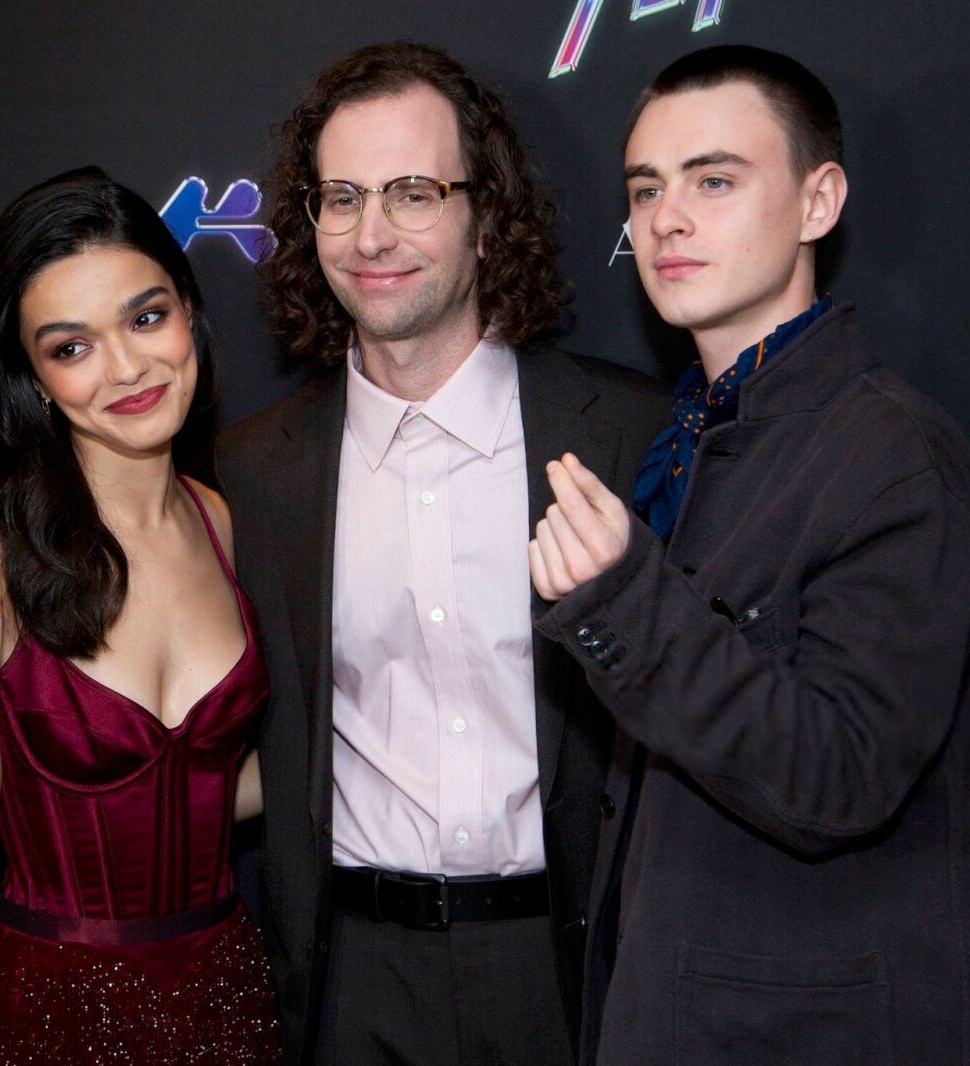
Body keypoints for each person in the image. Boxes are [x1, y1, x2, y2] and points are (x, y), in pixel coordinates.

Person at [528, 46, 970, 1064]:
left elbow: (839, 776)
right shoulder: (691, 438)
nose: (667, 219)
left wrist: (622, 601)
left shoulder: (894, 459)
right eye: (645, 189)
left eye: (713, 181)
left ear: (818, 201)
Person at [216, 42, 670, 1065]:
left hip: (572, 968)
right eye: (341, 198)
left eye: (414, 193)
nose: (371, 234)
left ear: (486, 215)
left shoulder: (629, 434)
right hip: (352, 978)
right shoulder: (253, 473)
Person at [0, 167, 280, 1062]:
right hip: (44, 1013)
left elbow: (208, 780)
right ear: (31, 375)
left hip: (223, 999)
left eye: (146, 318)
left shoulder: (223, 521)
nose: (128, 368)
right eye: (72, 347)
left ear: (189, 313)